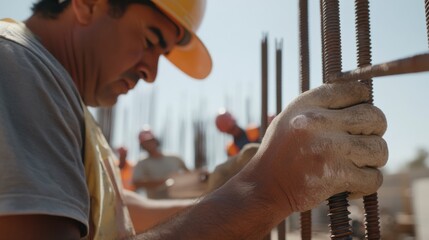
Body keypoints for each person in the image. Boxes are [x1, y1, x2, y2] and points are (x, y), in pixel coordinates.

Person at [0, 0, 388, 239]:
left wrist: (221, 193)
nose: (151, 73)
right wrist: (265, 190)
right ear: (87, 3)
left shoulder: (55, 90)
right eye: (152, 40)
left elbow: (118, 213)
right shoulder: (18, 67)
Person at [133, 128, 189, 199]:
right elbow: (137, 183)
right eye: (146, 143)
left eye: (150, 141)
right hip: (156, 204)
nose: (149, 144)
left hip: (178, 201)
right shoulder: (142, 163)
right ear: (142, 145)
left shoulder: (175, 158)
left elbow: (189, 174)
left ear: (156, 141)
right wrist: (163, 182)